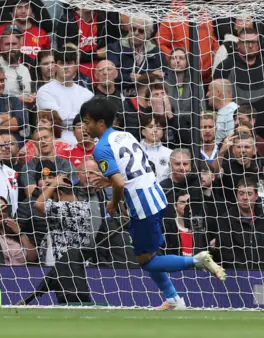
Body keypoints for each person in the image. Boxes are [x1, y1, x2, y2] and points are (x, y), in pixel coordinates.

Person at [81, 97, 226, 310]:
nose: (85, 126)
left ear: (100, 123)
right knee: (150, 254)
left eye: (87, 121)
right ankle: (173, 299)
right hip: (157, 196)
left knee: (145, 260)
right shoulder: (125, 135)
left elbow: (120, 183)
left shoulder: (101, 148)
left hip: (141, 205)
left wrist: (113, 204)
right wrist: (108, 180)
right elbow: (133, 168)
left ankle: (196, 261)